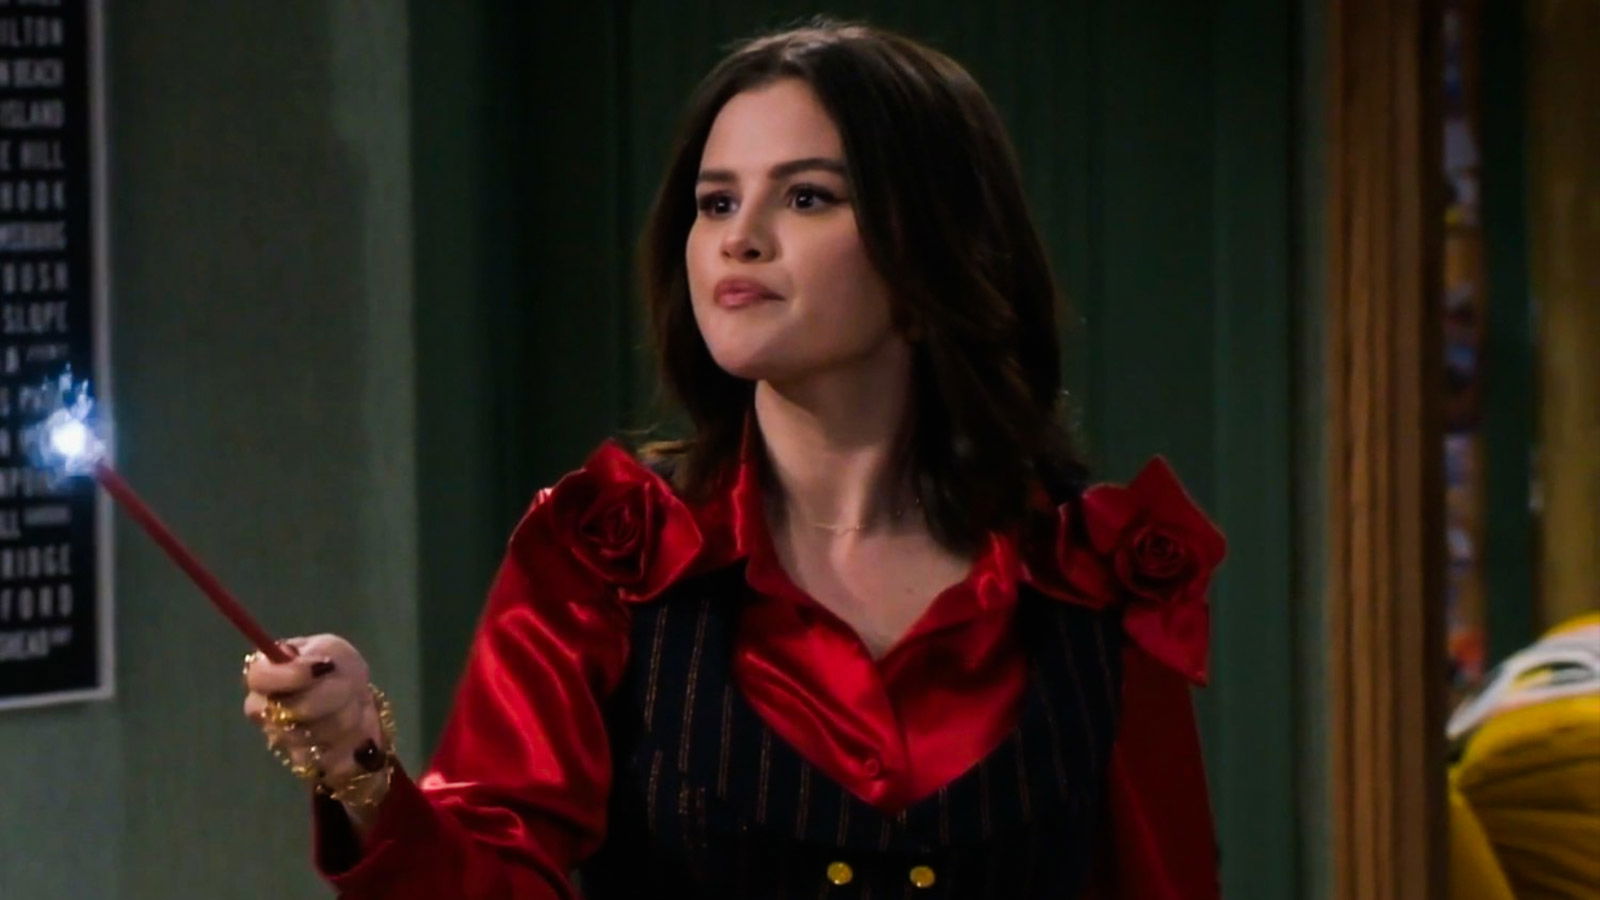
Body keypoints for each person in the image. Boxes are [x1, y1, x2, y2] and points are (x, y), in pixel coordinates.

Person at [242, 19, 1227, 899]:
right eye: (715, 204)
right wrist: (358, 764)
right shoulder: (605, 557)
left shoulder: (1094, 574)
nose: (739, 241)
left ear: (936, 245)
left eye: (805, 196)